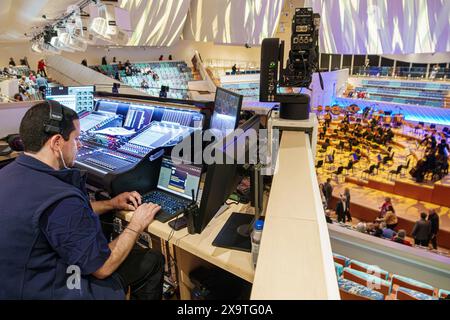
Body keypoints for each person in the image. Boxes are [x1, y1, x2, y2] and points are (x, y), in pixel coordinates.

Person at [0, 101, 164, 299]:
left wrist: (111, 204)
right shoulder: (60, 198)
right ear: (56, 142)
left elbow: (61, 220)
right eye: (76, 138)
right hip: (54, 289)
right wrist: (136, 225)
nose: (79, 145)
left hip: (16, 283)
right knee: (152, 260)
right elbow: (102, 268)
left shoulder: (8, 173)